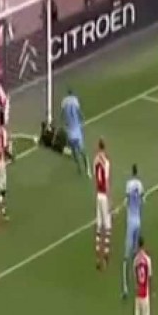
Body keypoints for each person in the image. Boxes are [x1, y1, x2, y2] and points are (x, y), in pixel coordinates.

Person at [122, 164, 143, 298]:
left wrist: (118, 209)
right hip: (138, 221)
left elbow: (127, 200)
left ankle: (125, 287)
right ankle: (137, 281)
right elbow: (141, 199)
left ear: (131, 172)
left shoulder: (129, 185)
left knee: (126, 257)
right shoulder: (140, 185)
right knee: (136, 253)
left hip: (130, 222)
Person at [0, 110, 14, 222]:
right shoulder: (3, 132)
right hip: (1, 161)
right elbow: (4, 148)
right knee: (3, 190)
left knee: (3, 187)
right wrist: (11, 156)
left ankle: (3, 211)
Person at [61, 89, 89, 176]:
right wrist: (83, 118)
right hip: (76, 128)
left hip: (70, 130)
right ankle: (87, 169)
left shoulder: (64, 101)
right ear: (72, 93)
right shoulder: (75, 100)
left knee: (74, 151)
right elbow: (78, 111)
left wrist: (63, 122)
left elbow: (62, 113)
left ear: (67, 94)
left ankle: (79, 167)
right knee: (81, 150)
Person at [133, 236, 153, 315]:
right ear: (144, 244)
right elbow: (149, 277)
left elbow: (135, 275)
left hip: (137, 293)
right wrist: (153, 290)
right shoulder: (147, 259)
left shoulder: (136, 259)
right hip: (145, 293)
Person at [93, 139, 112, 270]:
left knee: (99, 226)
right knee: (108, 225)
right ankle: (105, 256)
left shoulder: (95, 160)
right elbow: (106, 181)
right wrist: (110, 200)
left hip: (98, 194)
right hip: (104, 195)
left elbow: (96, 178)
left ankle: (97, 257)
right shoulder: (106, 162)